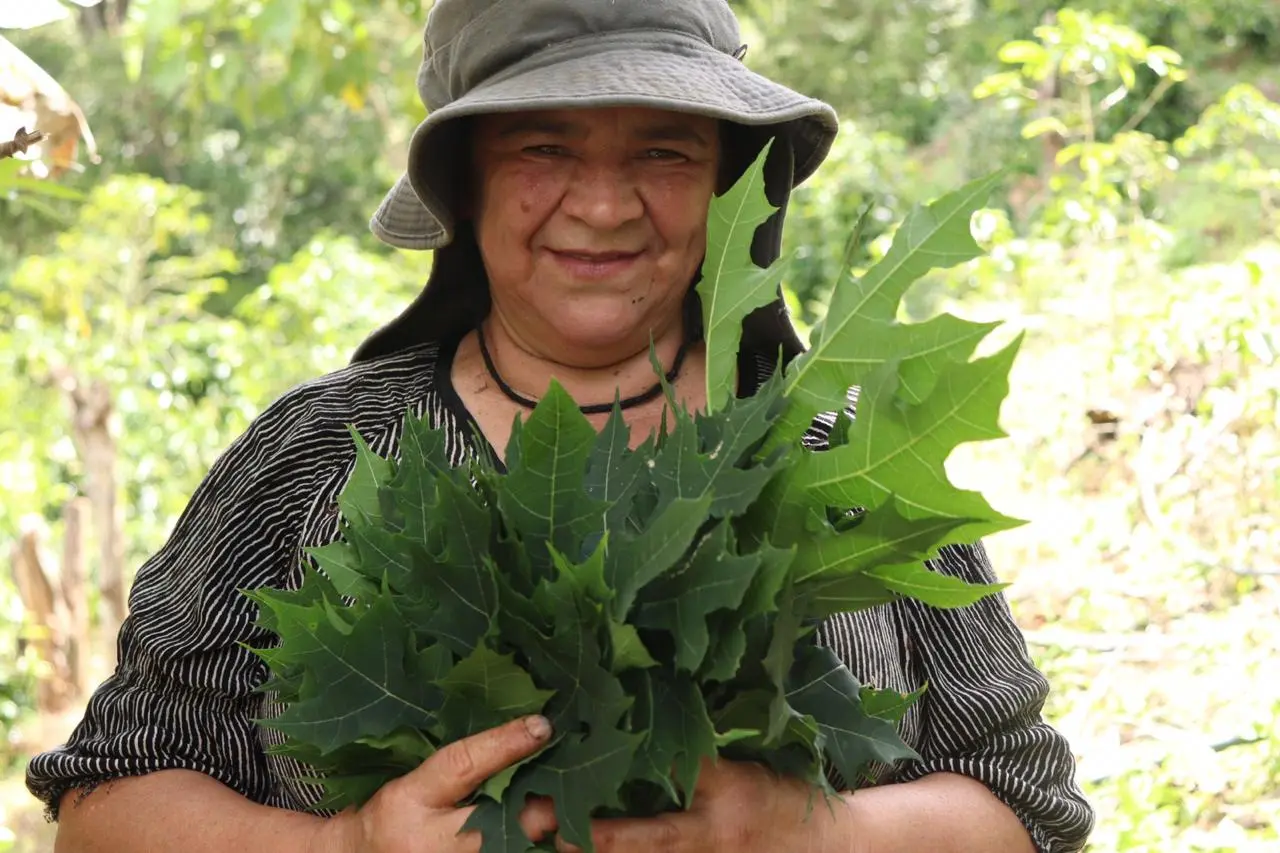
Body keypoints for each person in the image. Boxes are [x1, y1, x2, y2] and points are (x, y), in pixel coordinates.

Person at [27, 1, 1096, 851]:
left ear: (728, 185)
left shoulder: (838, 449)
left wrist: (816, 836)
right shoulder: (314, 458)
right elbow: (102, 812)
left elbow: (1027, 806)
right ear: (466, 183)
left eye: (663, 152)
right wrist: (342, 846)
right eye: (543, 147)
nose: (602, 205)